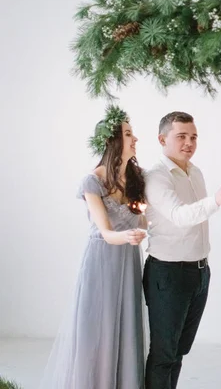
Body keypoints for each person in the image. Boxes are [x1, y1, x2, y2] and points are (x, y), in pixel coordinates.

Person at [40, 105, 147, 389]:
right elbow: (106, 232)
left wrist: (144, 230)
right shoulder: (92, 181)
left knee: (127, 328)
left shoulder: (137, 178)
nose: (134, 138)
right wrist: (129, 236)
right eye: (128, 133)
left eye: (132, 133)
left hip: (128, 261)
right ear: (112, 141)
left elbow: (146, 220)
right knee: (97, 329)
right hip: (102, 260)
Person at [143, 111, 221, 389]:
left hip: (199, 272)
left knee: (180, 351)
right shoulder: (156, 177)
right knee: (164, 354)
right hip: (168, 274)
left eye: (193, 137)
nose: (189, 143)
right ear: (162, 139)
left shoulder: (195, 171)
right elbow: (180, 215)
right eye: (181, 136)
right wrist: (216, 201)